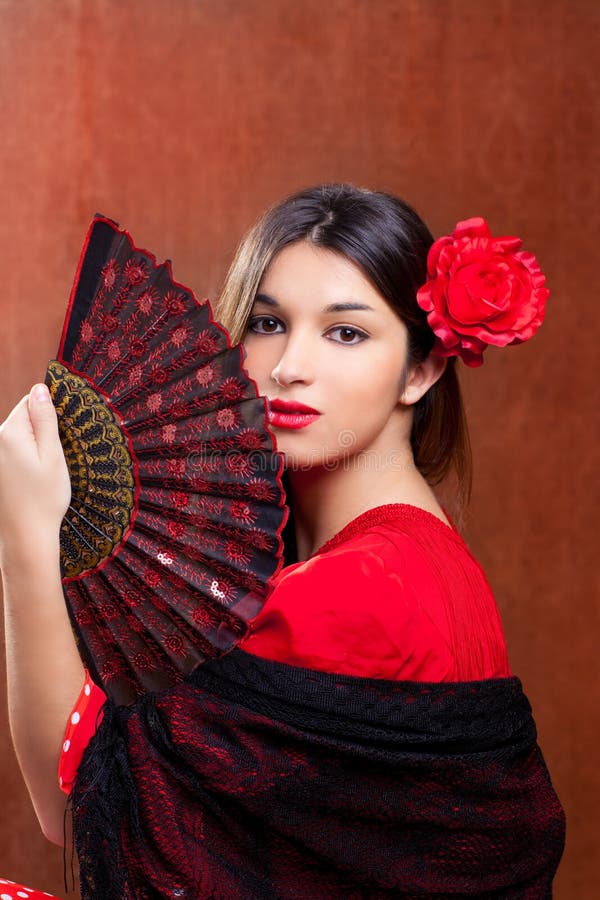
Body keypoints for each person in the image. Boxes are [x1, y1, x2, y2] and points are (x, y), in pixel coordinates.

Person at [0, 184, 564, 898]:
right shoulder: (423, 560)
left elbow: (77, 802)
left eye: (346, 332)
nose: (291, 364)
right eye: (267, 323)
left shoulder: (358, 590)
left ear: (421, 370)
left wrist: (24, 530)